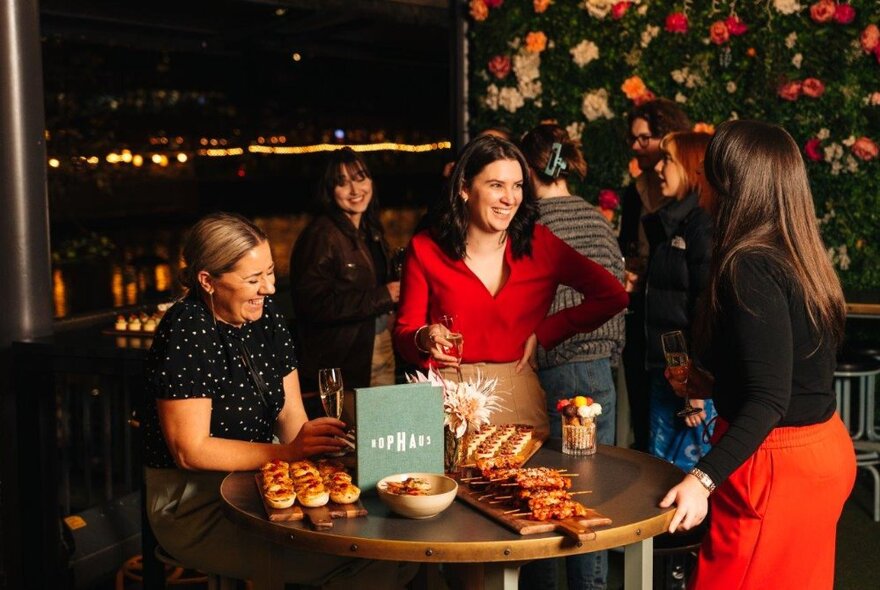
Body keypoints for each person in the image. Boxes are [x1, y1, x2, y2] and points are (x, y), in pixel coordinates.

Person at [142, 212, 415, 588]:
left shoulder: (265, 315)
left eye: (270, 272)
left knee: (400, 553)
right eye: (253, 279)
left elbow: (290, 414)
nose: (269, 288)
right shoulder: (187, 328)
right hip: (194, 503)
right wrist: (288, 454)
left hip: (262, 482)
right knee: (366, 561)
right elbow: (191, 451)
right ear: (207, 281)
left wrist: (318, 452)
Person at [660, 121, 856, 588]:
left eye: (708, 171)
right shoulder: (796, 251)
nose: (701, 181)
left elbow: (770, 398)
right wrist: (714, 386)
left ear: (729, 183)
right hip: (818, 449)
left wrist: (700, 480)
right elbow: (792, 372)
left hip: (777, 466)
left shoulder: (748, 263)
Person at [393, 134, 628, 441]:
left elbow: (613, 296)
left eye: (517, 185)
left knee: (530, 486)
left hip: (519, 396)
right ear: (465, 188)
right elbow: (404, 332)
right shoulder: (425, 247)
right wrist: (424, 336)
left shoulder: (540, 244)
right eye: (496, 185)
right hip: (447, 398)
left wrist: (546, 332)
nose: (510, 198)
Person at [517, 124, 625, 590]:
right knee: (591, 494)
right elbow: (616, 290)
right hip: (602, 370)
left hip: (553, 366)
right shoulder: (596, 219)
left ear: (528, 166)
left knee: (541, 490)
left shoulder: (530, 223)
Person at [290, 148, 399, 397]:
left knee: (381, 430)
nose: (355, 190)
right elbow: (312, 304)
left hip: (378, 345)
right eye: (342, 183)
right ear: (329, 190)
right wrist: (385, 295)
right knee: (356, 432)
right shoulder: (321, 235)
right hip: (345, 360)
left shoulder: (370, 230)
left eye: (360, 178)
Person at [619, 98, 691, 451]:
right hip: (644, 312)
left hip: (673, 332)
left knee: (679, 433)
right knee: (649, 417)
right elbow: (628, 245)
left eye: (644, 138)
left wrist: (689, 377)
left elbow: (693, 296)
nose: (636, 146)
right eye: (632, 139)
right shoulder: (635, 192)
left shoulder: (691, 210)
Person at [643, 131, 716, 471]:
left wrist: (698, 382)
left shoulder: (701, 226)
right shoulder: (675, 221)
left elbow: (707, 305)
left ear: (690, 168)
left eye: (668, 160)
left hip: (686, 381)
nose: (659, 168)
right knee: (663, 478)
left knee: (681, 484)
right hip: (670, 374)